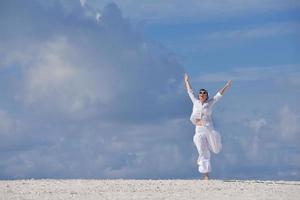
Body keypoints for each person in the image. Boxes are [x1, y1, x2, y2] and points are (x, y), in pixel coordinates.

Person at [184, 73, 232, 180]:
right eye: (200, 93)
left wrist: (227, 86)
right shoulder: (195, 102)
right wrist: (187, 81)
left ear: (206, 96)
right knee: (202, 151)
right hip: (199, 131)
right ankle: (205, 175)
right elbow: (190, 92)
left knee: (215, 149)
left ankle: (215, 145)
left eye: (204, 93)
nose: (201, 94)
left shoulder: (209, 103)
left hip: (209, 130)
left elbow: (218, 96)